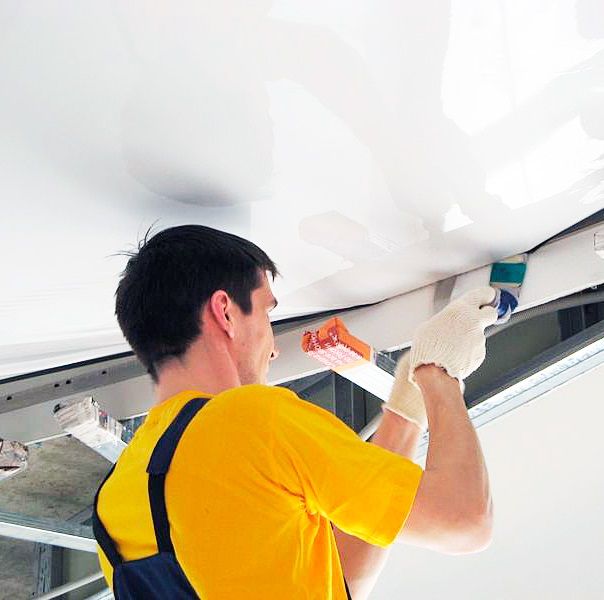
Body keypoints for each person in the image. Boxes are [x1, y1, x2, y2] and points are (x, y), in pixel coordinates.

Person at [94, 224, 497, 599]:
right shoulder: (251, 418)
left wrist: (405, 414)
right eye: (266, 312)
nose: (273, 349)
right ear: (225, 312)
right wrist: (439, 377)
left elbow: (334, 580)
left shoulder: (116, 497)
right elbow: (465, 519)